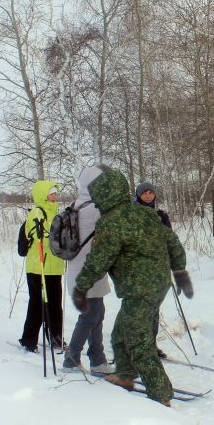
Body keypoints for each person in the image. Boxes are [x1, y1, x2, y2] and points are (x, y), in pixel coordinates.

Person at [72, 166, 193, 407]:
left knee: (138, 340)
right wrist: (179, 271)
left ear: (105, 196)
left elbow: (99, 260)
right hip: (159, 284)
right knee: (120, 331)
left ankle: (160, 393)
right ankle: (125, 375)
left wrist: (81, 287)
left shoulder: (111, 222)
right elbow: (172, 241)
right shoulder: (146, 214)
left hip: (139, 289)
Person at [62, 165, 114, 374]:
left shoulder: (75, 205)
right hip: (88, 271)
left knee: (97, 313)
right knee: (90, 316)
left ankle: (97, 359)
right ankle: (71, 360)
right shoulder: (96, 209)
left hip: (82, 271)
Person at [18, 180, 64, 353]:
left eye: (54, 194)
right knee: (37, 303)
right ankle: (29, 338)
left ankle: (55, 336)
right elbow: (38, 236)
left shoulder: (56, 213)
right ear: (43, 195)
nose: (54, 196)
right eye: (51, 193)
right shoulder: (37, 212)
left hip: (55, 265)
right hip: (39, 266)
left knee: (55, 303)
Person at [134, 182, 172, 358]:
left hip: (157, 268)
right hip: (138, 268)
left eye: (151, 192)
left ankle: (151, 344)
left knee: (154, 307)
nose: (148, 196)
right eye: (145, 193)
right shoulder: (131, 214)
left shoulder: (161, 215)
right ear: (138, 195)